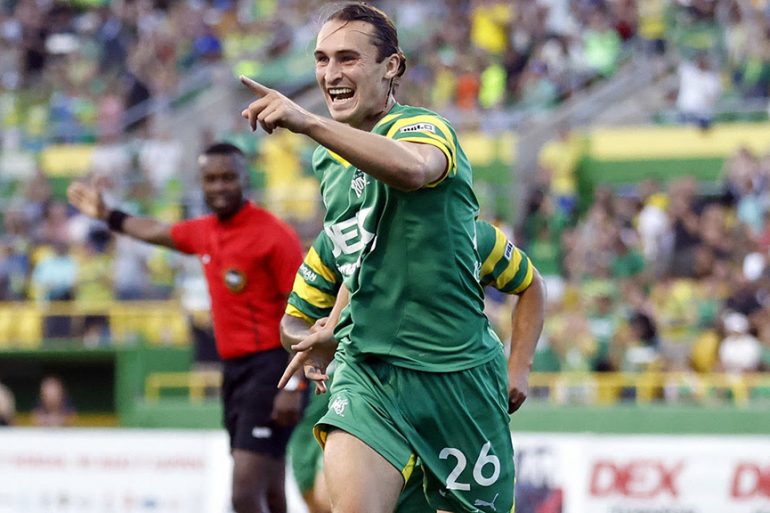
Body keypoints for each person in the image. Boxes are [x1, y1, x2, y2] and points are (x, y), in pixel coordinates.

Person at [239, 4, 545, 512]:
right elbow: (353, 259)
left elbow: (412, 171)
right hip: (371, 374)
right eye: (321, 59)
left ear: (392, 67)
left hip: (458, 382)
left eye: (347, 58)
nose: (330, 74)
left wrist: (520, 369)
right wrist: (328, 334)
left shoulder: (424, 129)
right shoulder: (326, 161)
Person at [66, 142, 304, 513]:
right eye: (211, 179)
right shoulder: (205, 231)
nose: (220, 186)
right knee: (270, 486)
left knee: (243, 493)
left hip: (273, 368)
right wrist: (108, 214)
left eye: (228, 177)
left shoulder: (275, 235)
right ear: (201, 183)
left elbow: (302, 311)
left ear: (245, 179)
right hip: (235, 372)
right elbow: (157, 231)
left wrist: (293, 384)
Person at [283, 218, 545, 513]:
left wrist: (520, 368)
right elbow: (293, 322)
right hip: (364, 392)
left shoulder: (469, 233)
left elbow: (531, 283)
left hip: (454, 399)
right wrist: (315, 338)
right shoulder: (339, 238)